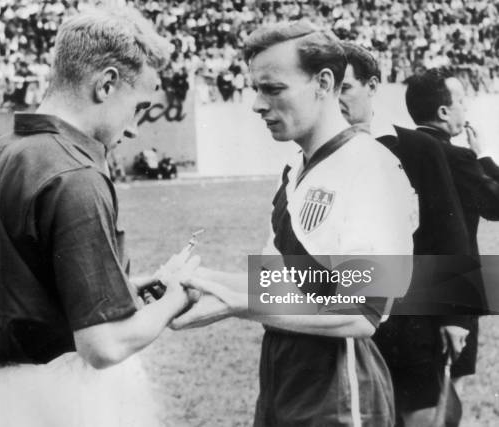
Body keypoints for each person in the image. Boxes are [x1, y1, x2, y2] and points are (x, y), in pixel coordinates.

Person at [0, 8, 197, 427]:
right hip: (67, 399)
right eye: (138, 108)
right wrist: (177, 298)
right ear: (107, 84)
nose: (135, 129)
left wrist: (121, 288)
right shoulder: (75, 173)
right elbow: (103, 345)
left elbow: (22, 284)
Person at [173, 22, 418, 426]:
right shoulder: (294, 168)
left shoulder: (371, 167)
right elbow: (279, 283)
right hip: (283, 378)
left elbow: (362, 312)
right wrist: (199, 280)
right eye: (255, 88)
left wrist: (238, 306)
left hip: (339, 389)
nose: (256, 104)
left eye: (272, 89)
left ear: (323, 83)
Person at [339, 43, 476, 427]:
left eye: (346, 88)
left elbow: (449, 234)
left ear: (372, 86)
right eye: (327, 88)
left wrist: (456, 317)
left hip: (412, 318)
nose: (336, 100)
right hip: (346, 319)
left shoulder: (418, 148)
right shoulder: (317, 157)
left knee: (418, 417)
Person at [402, 67, 499, 422]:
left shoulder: (400, 149)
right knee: (446, 389)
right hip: (455, 289)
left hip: (404, 287)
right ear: (443, 112)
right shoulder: (456, 158)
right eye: (461, 100)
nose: (465, 107)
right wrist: (484, 155)